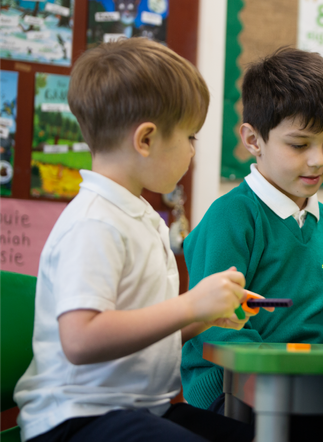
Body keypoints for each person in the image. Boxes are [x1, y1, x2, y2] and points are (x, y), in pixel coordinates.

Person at [14, 38, 258, 442]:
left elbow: (135, 334)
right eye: (191, 137)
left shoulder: (138, 216)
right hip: (74, 421)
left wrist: (200, 319)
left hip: (137, 411)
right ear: (145, 140)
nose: (194, 151)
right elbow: (81, 339)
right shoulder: (95, 223)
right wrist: (189, 303)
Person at [181, 47, 323, 412]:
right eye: (299, 144)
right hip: (227, 390)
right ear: (253, 140)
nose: (317, 160)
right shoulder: (233, 217)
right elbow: (216, 330)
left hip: (310, 395)